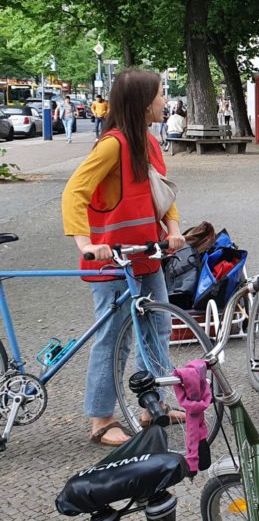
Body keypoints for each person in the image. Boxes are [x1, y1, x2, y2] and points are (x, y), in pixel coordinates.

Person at [61, 69, 186, 447]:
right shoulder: (112, 145)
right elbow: (74, 193)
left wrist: (174, 229)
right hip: (113, 261)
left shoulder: (148, 144)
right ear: (142, 102)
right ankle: (101, 420)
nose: (166, 102)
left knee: (157, 330)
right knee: (114, 338)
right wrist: (85, 243)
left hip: (146, 256)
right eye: (161, 95)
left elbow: (162, 196)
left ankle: (153, 404)